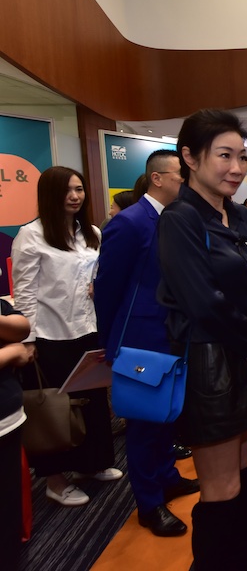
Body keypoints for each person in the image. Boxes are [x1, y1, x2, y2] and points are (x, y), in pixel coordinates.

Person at [156, 109, 247, 569]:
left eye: (242, 157)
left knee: (244, 477)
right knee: (222, 491)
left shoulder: (240, 216)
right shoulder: (180, 219)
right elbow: (205, 305)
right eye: (224, 156)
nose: (237, 168)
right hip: (209, 367)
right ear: (190, 157)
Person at [94, 149, 200, 538]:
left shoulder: (175, 219)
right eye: (179, 176)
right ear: (157, 178)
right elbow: (107, 289)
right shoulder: (130, 223)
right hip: (139, 337)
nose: (185, 183)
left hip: (172, 333)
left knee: (166, 416)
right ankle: (149, 502)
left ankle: (167, 476)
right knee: (143, 422)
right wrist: (110, 342)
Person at [11, 166, 122, 507]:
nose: (75, 196)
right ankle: (56, 481)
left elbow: (99, 275)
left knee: (91, 404)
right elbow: (25, 291)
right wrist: (27, 339)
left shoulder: (90, 232)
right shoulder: (31, 235)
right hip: (49, 335)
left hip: (87, 330)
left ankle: (90, 465)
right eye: (67, 191)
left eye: (79, 189)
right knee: (54, 410)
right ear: (50, 195)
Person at [0, 298, 32, 563]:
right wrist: (11, 353)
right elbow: (18, 346)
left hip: (7, 419)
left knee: (8, 508)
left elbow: (21, 327)